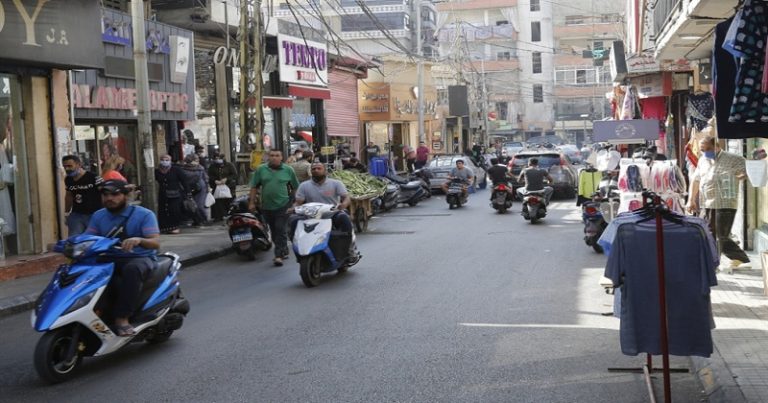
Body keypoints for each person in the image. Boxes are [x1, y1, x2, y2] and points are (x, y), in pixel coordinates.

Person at [85, 179, 160, 336]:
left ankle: (122, 318)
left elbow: (155, 242)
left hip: (139, 258)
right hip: (109, 257)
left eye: (115, 194)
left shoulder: (144, 214)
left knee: (132, 270)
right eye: (105, 195)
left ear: (126, 195)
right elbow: (88, 239)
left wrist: (139, 240)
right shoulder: (98, 216)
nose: (109, 198)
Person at [686, 136, 750, 269]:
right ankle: (739, 257)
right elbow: (696, 180)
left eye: (708, 149)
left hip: (725, 203)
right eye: (703, 150)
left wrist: (737, 176)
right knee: (708, 233)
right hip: (706, 203)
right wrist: (691, 200)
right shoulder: (703, 160)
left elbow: (746, 174)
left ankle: (712, 264)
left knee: (719, 235)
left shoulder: (734, 159)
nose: (705, 152)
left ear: (716, 146)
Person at [248, 149, 300, 266]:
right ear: (268, 157)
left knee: (280, 228)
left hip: (283, 204)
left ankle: (278, 255)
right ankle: (284, 249)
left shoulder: (288, 170)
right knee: (274, 230)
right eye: (272, 155)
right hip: (267, 205)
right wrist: (251, 202)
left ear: (281, 157)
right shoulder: (261, 169)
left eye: (277, 155)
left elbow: (296, 187)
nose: (274, 158)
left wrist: (296, 202)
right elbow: (254, 187)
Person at [290, 162, 354, 249]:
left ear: (325, 171)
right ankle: (298, 247)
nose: (316, 170)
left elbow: (346, 197)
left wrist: (343, 204)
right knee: (293, 220)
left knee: (344, 218)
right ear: (311, 172)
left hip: (332, 214)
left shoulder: (336, 183)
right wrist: (293, 209)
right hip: (311, 216)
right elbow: (298, 202)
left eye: (319, 168)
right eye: (314, 169)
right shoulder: (304, 186)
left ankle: (348, 245)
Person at [63, 155, 103, 236]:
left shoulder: (93, 177)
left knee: (93, 238)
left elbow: (104, 192)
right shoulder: (68, 179)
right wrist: (66, 212)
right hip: (77, 214)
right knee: (74, 239)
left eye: (70, 166)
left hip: (94, 214)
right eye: (65, 166)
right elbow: (69, 196)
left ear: (79, 165)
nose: (67, 169)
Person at [155, 154, 187, 234]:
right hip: (163, 194)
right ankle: (164, 227)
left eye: (167, 160)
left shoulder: (176, 170)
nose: (164, 162)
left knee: (174, 210)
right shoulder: (157, 171)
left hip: (175, 193)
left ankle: (175, 227)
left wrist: (188, 192)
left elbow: (184, 181)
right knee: (164, 210)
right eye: (163, 160)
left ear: (170, 161)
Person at [180, 154, 210, 227]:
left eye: (197, 160)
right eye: (195, 160)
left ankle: (203, 220)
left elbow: (205, 178)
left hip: (200, 188)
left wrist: (208, 186)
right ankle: (196, 221)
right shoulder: (183, 169)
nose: (197, 161)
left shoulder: (200, 168)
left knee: (199, 205)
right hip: (188, 189)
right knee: (191, 206)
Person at [208, 152, 238, 222]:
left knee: (229, 201)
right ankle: (218, 216)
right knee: (217, 202)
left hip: (228, 186)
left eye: (219, 158)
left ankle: (231, 215)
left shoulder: (229, 165)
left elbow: (235, 175)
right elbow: (209, 175)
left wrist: (226, 179)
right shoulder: (212, 166)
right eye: (216, 158)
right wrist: (215, 180)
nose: (217, 160)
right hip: (217, 187)